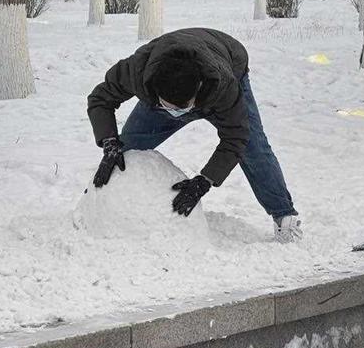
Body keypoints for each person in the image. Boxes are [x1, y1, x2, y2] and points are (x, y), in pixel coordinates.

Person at [87, 28, 301, 243]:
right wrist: (109, 141)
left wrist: (205, 180)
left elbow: (236, 136)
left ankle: (284, 216)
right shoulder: (136, 71)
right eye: (169, 107)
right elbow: (100, 99)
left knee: (253, 147)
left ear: (198, 89)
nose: (177, 114)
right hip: (172, 81)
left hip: (228, 63)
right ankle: (98, 203)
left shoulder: (224, 86)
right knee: (126, 150)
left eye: (183, 108)